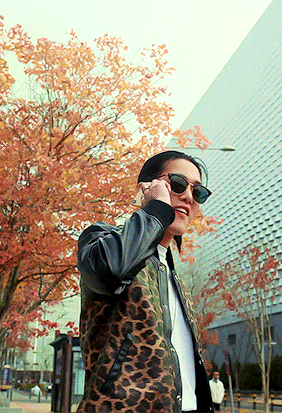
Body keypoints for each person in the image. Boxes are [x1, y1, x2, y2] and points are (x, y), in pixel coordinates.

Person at [77, 150, 215, 413]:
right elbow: (109, 269)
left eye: (198, 192)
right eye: (177, 183)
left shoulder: (176, 281)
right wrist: (157, 210)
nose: (188, 196)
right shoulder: (104, 241)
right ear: (146, 189)